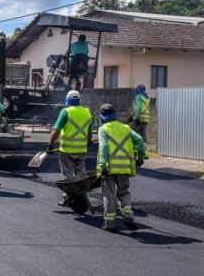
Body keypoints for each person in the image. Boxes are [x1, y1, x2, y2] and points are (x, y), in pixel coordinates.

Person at [97, 103, 145, 233]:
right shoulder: (126, 128)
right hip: (124, 167)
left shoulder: (103, 129)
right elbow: (140, 140)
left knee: (109, 195)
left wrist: (102, 166)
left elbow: (104, 147)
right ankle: (128, 217)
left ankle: (111, 224)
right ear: (114, 115)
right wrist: (140, 157)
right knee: (123, 193)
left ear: (102, 116)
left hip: (110, 168)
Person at [48, 90, 93, 205]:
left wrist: (50, 145)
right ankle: (81, 195)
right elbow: (89, 131)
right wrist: (88, 142)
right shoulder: (87, 112)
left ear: (67, 99)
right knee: (81, 175)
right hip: (82, 150)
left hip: (67, 150)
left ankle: (67, 197)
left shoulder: (65, 112)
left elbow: (56, 131)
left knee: (67, 175)